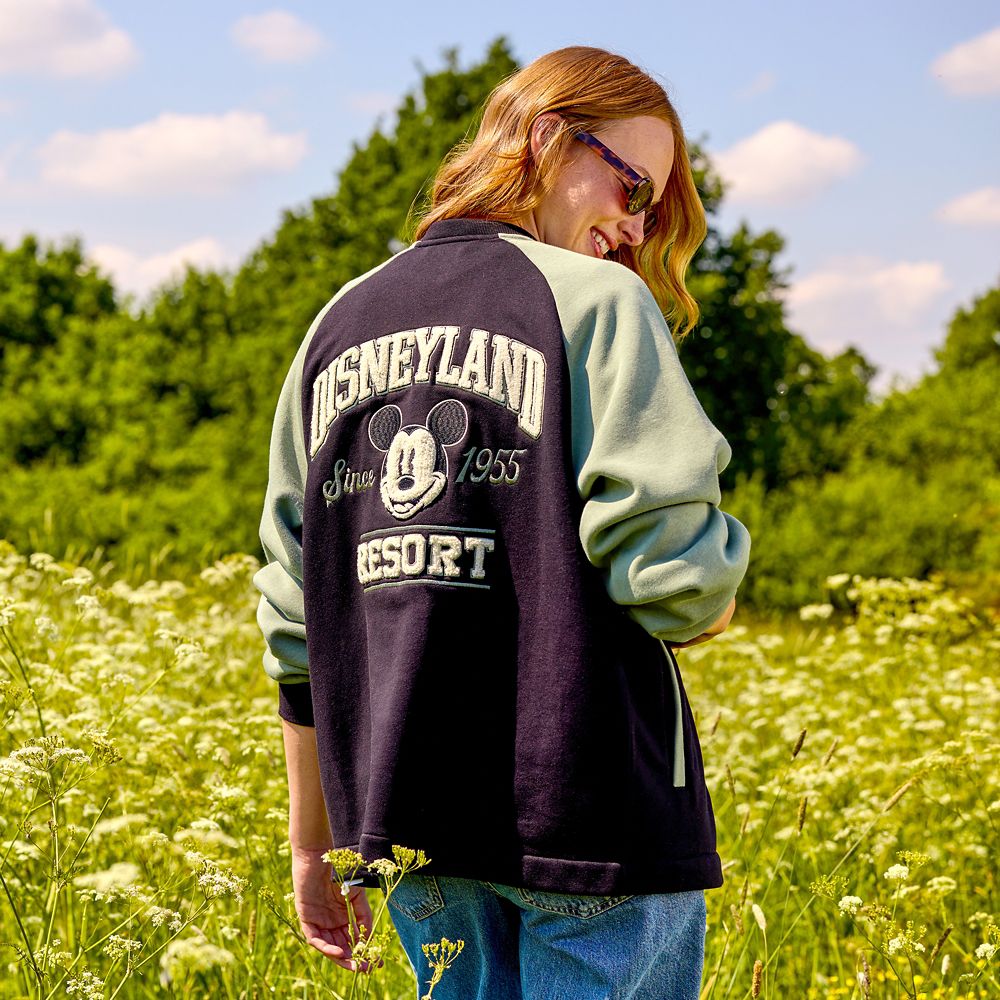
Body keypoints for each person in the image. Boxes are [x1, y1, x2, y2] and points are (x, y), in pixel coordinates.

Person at [254, 45, 750, 1000]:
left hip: (411, 829)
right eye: (633, 184)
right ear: (546, 137)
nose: (636, 227)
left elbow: (294, 619)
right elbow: (678, 580)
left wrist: (313, 844)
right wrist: (715, 593)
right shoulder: (600, 305)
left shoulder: (337, 323)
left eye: (655, 210)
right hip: (589, 820)